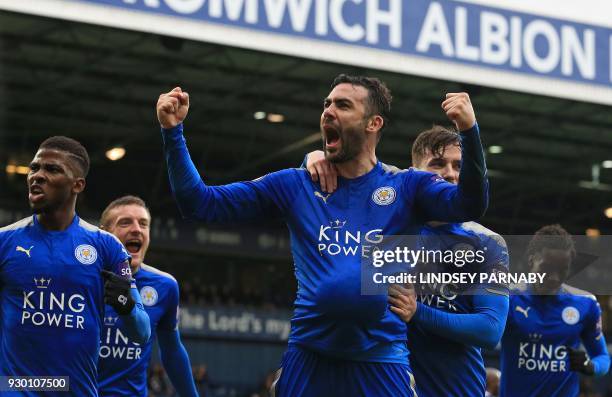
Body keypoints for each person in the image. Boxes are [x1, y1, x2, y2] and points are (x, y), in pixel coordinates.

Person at [156, 75, 489, 396]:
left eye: (343, 106)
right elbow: (199, 203)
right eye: (326, 104)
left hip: (380, 362)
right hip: (309, 360)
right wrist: (173, 132)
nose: (328, 111)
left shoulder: (406, 188)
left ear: (373, 124)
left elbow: (470, 204)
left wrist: (469, 131)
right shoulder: (295, 185)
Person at [306, 125, 509, 396]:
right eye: (437, 164)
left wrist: (418, 312)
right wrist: (314, 158)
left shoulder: (486, 242)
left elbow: (490, 329)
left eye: (458, 166)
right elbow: (330, 194)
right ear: (414, 172)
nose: (450, 173)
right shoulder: (384, 223)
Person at [0, 136, 150, 397]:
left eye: (52, 169)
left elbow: (142, 333)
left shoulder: (107, 247)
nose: (37, 176)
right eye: (35, 167)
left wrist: (126, 305)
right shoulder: (4, 242)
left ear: (77, 185)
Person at [97, 196, 198, 396]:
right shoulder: (81, 278)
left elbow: (172, 351)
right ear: (104, 233)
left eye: (143, 224)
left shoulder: (165, 286)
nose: (137, 229)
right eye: (125, 222)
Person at [499, 224, 610, 397]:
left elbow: (602, 357)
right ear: (531, 260)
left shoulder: (585, 303)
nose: (554, 277)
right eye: (547, 268)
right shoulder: (507, 298)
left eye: (562, 269)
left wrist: (590, 366)